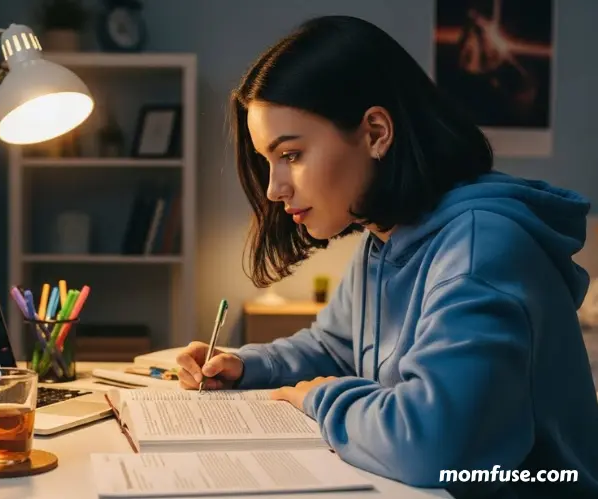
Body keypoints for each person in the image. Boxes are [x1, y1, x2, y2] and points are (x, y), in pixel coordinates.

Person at [175, 15, 598, 499]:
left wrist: (318, 397)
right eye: (266, 161)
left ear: (376, 132)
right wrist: (245, 365)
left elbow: (433, 442)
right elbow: (337, 347)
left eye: (290, 155)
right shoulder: (383, 237)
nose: (273, 188)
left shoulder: (483, 249)